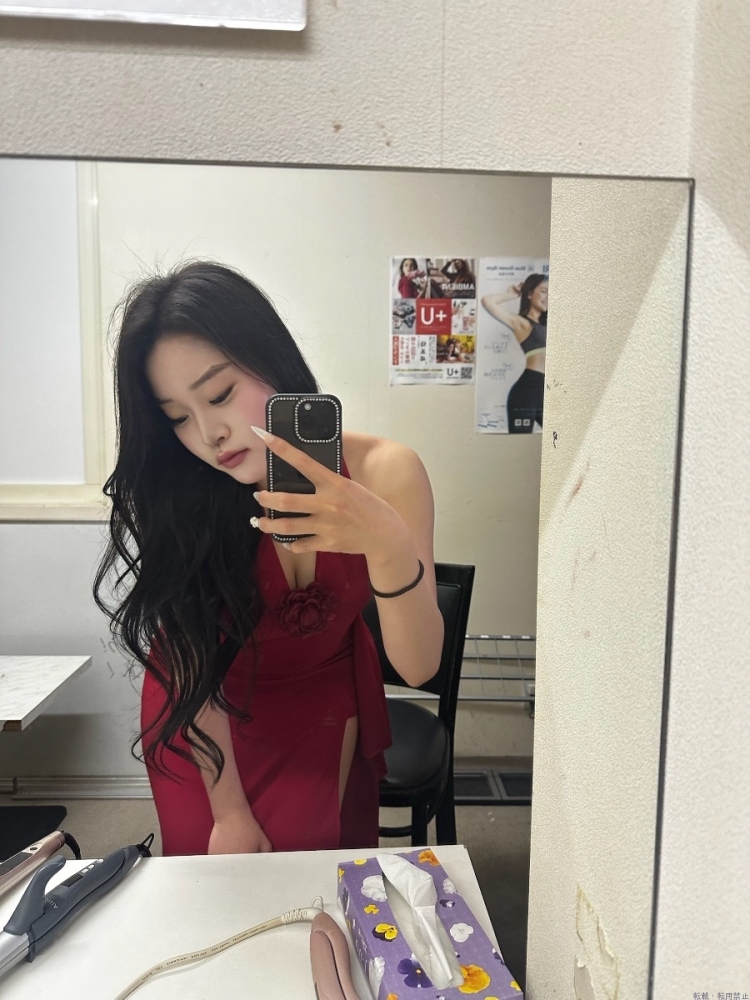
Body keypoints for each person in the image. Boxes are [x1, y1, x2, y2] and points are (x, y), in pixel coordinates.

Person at [94, 260, 443, 856]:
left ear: (273, 359)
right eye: (178, 417)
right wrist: (229, 811)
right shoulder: (181, 494)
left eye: (220, 394)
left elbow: (418, 667)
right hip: (206, 712)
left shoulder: (387, 472)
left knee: (320, 879)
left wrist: (387, 543)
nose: (209, 433)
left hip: (326, 701)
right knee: (220, 888)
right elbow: (188, 652)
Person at [481, 273, 548, 433]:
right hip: (528, 390)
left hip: (548, 390)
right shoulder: (521, 323)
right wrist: (510, 294)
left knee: (563, 440)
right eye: (544, 291)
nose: (548, 297)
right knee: (519, 440)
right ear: (530, 294)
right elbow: (487, 301)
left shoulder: (550, 324)